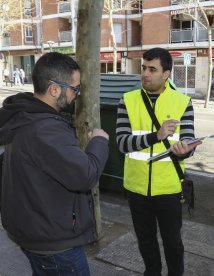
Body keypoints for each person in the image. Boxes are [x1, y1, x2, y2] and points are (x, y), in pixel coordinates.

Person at [0, 52, 109, 275]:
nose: (76, 95)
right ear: (54, 89)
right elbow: (85, 174)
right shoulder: (47, 128)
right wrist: (99, 141)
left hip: (33, 231)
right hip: (54, 243)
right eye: (74, 89)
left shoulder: (24, 116)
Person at [116, 47, 202, 276]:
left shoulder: (183, 102)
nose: (145, 73)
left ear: (166, 74)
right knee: (145, 240)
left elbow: (187, 142)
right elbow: (122, 143)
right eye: (143, 68)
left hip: (169, 189)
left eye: (152, 69)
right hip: (136, 188)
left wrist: (185, 150)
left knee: (173, 242)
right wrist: (157, 136)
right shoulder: (127, 100)